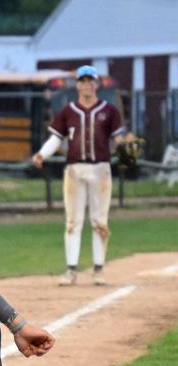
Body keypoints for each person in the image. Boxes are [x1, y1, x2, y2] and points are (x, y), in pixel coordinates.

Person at [33, 65, 129, 287]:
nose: (87, 85)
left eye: (91, 81)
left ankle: (98, 269)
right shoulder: (68, 111)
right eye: (83, 81)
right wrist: (42, 154)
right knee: (73, 221)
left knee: (99, 221)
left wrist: (126, 151)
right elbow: (56, 138)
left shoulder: (109, 110)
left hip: (100, 168)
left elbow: (119, 139)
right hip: (75, 169)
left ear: (97, 84)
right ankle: (71, 270)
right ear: (78, 84)